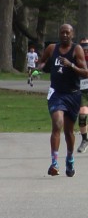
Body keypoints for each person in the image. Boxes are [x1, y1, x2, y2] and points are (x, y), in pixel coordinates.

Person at [36, 24, 88, 176]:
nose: (64, 35)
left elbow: (85, 72)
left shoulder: (77, 49)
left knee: (69, 131)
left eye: (67, 33)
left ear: (72, 34)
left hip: (73, 95)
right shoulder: (52, 48)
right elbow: (43, 61)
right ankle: (54, 163)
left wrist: (71, 65)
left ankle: (70, 158)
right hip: (56, 94)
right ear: (59, 34)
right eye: (62, 32)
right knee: (57, 123)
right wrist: (36, 69)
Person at [78, 36, 88, 151]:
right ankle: (85, 139)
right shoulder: (76, 59)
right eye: (83, 46)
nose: (86, 49)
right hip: (83, 91)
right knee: (82, 115)